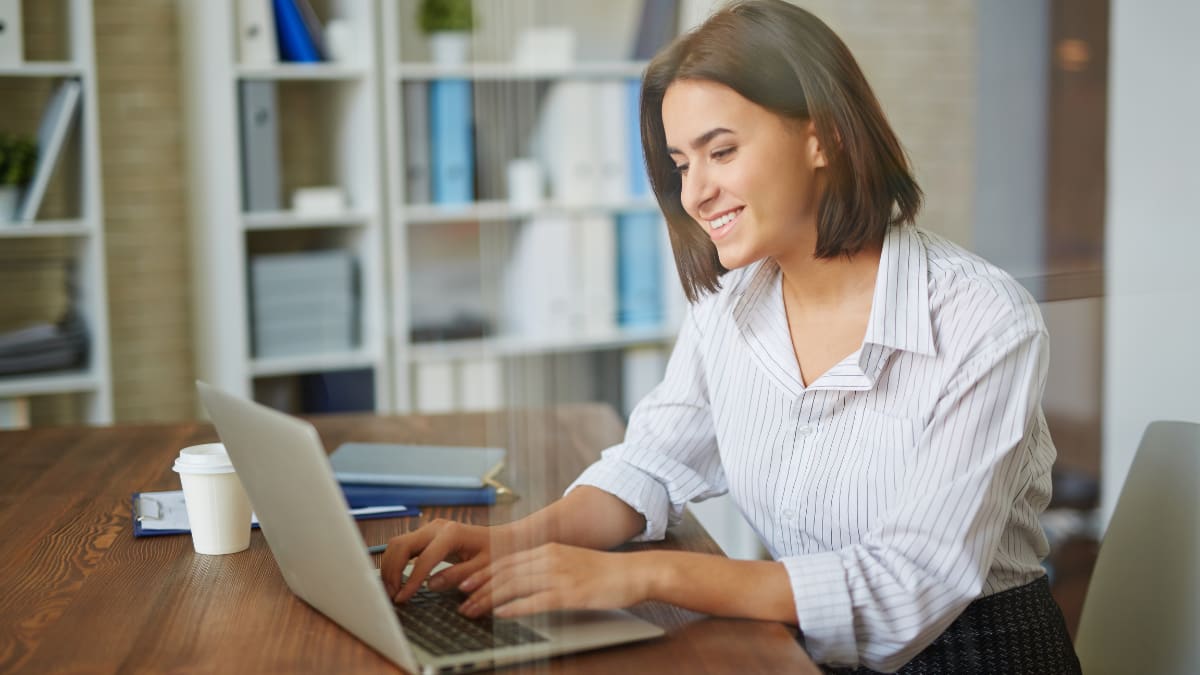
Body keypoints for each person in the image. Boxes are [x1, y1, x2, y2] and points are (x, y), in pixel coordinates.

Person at [383, 1, 1082, 672]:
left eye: (721, 151)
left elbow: (907, 587)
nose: (695, 194)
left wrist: (639, 577)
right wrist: (509, 543)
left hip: (973, 657)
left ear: (824, 136)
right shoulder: (732, 304)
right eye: (683, 165)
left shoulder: (983, 319)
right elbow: (651, 465)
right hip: (799, 648)